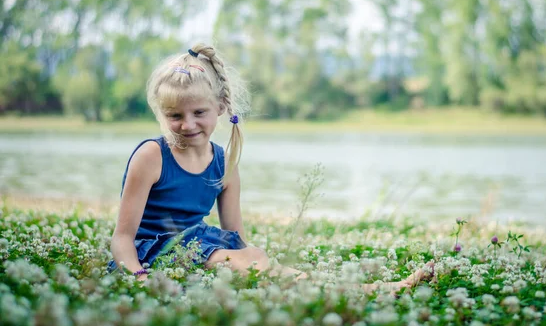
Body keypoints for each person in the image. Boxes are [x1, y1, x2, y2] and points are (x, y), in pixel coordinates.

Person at [109, 43, 434, 294]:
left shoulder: (224, 161)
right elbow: (122, 238)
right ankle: (364, 291)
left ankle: (364, 290)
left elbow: (234, 237)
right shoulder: (152, 156)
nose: (187, 124)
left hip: (196, 250)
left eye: (198, 112)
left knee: (255, 257)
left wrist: (251, 259)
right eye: (174, 116)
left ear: (220, 108)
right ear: (162, 114)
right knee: (245, 262)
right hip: (153, 255)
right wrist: (137, 277)